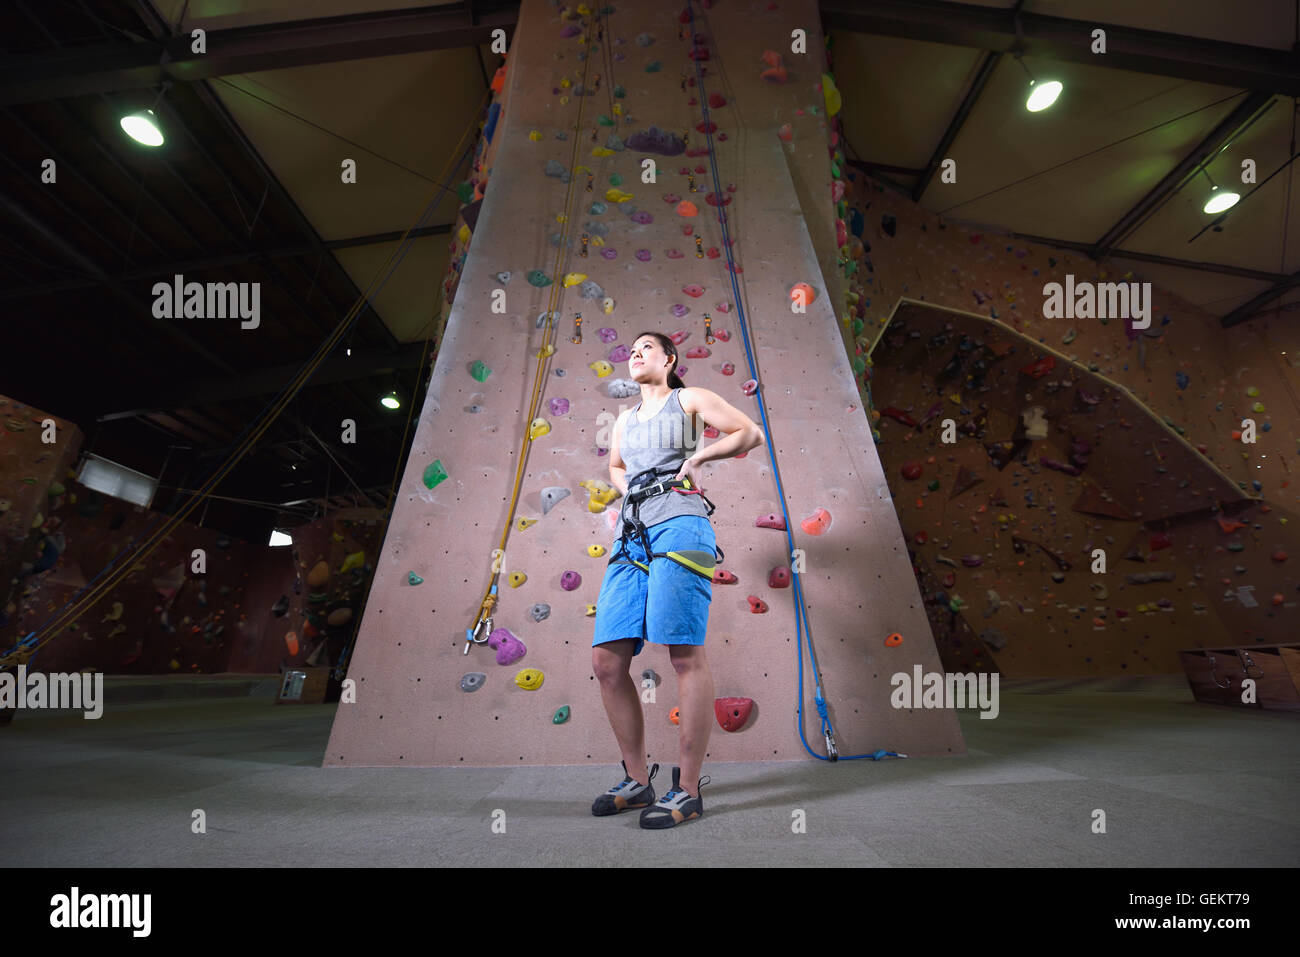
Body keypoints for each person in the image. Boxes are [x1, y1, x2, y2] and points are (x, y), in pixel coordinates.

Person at [589, 331, 764, 828]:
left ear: (669, 359)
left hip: (681, 525)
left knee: (683, 654)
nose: (635, 353)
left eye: (647, 347)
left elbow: (748, 432)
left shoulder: (688, 399)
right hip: (632, 535)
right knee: (606, 661)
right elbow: (616, 467)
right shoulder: (624, 419)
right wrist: (631, 496)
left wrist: (698, 459)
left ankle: (687, 790)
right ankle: (638, 780)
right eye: (631, 350)